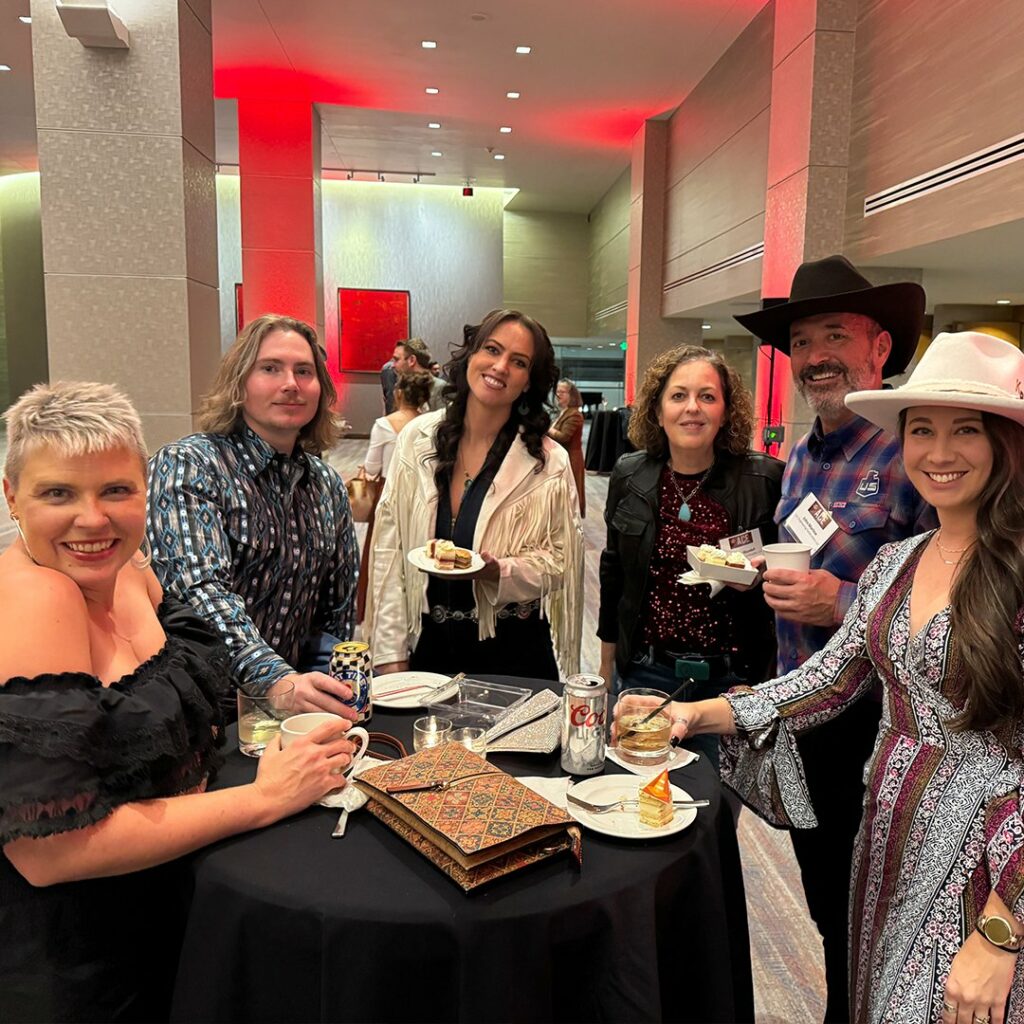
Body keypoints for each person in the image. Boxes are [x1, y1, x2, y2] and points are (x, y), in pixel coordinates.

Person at [634, 332, 1024, 1024]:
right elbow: (828, 680)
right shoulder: (897, 562)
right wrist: (697, 715)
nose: (939, 454)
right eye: (922, 430)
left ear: (1005, 443)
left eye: (965, 431)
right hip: (886, 830)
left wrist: (1002, 928)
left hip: (990, 858)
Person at [0, 382, 360, 1023]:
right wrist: (265, 796)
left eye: (116, 490)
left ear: (147, 489)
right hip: (82, 957)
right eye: (58, 493)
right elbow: (49, 854)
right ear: (12, 497)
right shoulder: (38, 596)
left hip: (170, 902)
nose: (93, 519)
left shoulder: (132, 570)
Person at [734, 254, 935, 1020]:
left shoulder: (917, 450)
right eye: (803, 340)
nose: (816, 355)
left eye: (835, 334)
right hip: (804, 719)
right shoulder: (801, 459)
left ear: (880, 347)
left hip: (879, 732)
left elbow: (948, 604)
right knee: (828, 905)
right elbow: (807, 559)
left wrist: (843, 602)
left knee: (876, 913)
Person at [147, 314, 359, 718]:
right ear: (239, 383)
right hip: (196, 711)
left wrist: (324, 695)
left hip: (292, 710)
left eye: (304, 371)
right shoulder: (189, 465)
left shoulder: (328, 485)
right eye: (270, 368)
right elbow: (201, 593)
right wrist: (274, 680)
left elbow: (336, 611)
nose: (290, 384)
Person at [367, 308, 584, 681]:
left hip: (515, 651)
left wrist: (502, 571)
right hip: (428, 646)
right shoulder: (416, 440)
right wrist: (389, 654)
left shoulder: (549, 461)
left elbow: (563, 562)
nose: (500, 367)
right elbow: (388, 550)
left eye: (518, 362)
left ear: (529, 380)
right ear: (471, 355)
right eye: (492, 350)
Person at [598, 345, 783, 766]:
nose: (692, 409)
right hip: (647, 672)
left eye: (707, 396)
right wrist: (609, 666)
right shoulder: (630, 475)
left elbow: (786, 579)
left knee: (717, 810)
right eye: (678, 396)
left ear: (725, 412)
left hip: (734, 682)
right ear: (657, 410)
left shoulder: (764, 479)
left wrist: (766, 680)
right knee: (643, 795)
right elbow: (614, 575)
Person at [355, 370, 432, 621]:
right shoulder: (430, 425)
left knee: (383, 552)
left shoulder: (384, 425)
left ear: (398, 393)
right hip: (422, 496)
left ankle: (380, 612)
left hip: (388, 493)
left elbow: (373, 467)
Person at [548, 378, 586, 516]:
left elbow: (564, 437)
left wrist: (547, 429)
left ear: (572, 395)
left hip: (571, 458)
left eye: (562, 392)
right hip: (563, 457)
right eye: (557, 392)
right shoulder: (563, 412)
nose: (558, 395)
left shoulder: (575, 414)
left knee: (571, 491)